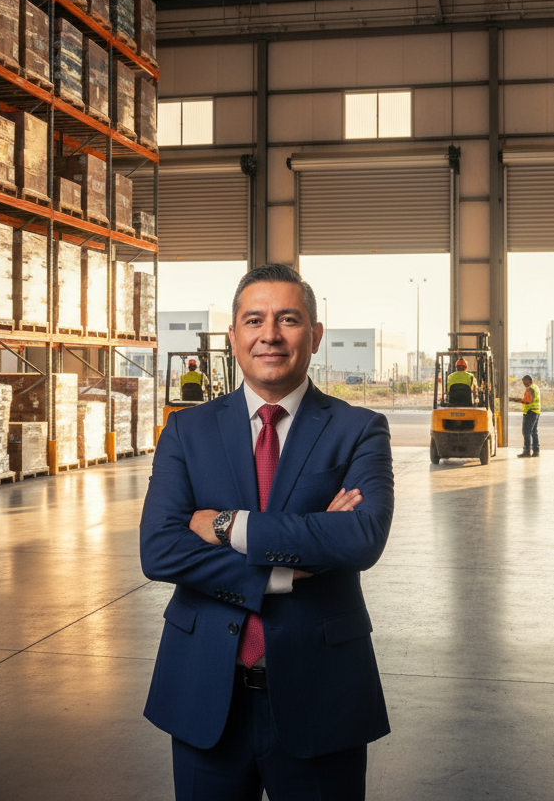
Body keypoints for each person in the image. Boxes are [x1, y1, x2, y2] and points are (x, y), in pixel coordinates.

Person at [139, 263, 394, 801]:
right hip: (206, 692)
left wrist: (228, 526)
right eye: (253, 320)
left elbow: (362, 537)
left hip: (323, 695)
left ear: (316, 335)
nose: (270, 334)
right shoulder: (186, 430)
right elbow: (160, 549)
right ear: (234, 337)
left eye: (288, 319)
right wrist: (285, 565)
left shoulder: (359, 429)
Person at [510, 374, 541, 457]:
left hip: (530, 413)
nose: (525, 385)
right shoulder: (536, 387)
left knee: (526, 432)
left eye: (526, 383)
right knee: (534, 431)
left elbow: (527, 400)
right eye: (524, 383)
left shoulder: (530, 389)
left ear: (530, 381)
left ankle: (526, 451)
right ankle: (536, 451)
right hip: (536, 412)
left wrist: (513, 399)